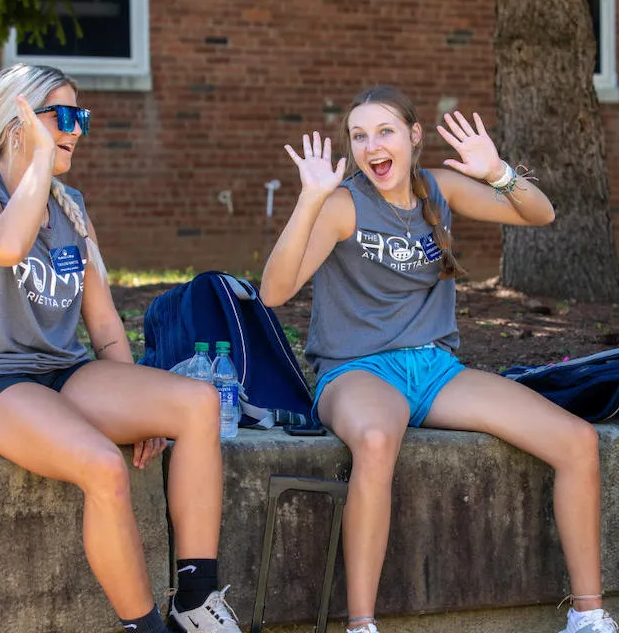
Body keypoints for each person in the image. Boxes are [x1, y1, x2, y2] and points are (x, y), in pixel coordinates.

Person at [260, 85, 617, 633]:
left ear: (413, 137)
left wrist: (499, 172)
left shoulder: (439, 188)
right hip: (355, 371)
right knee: (378, 439)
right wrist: (309, 200)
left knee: (577, 441)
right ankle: (362, 624)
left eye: (385, 132)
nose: (371, 146)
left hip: (435, 370)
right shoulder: (342, 204)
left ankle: (589, 616)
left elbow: (540, 214)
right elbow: (274, 293)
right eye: (359, 136)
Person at [0, 63, 240, 633]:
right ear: (19, 123)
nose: (77, 129)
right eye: (63, 116)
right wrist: (40, 162)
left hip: (55, 371)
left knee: (196, 405)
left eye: (81, 115)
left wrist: (138, 405)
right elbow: (7, 244)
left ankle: (195, 600)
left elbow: (105, 325)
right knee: (99, 463)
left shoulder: (71, 210)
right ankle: (143, 628)